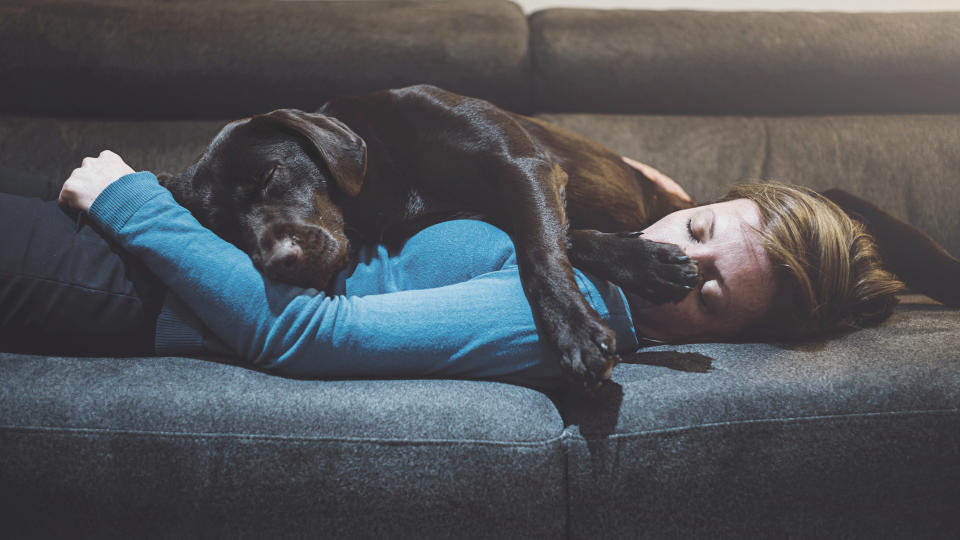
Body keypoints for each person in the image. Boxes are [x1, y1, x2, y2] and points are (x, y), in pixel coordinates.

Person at [0, 150, 903, 390]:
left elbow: (306, 330)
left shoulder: (562, 316)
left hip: (134, 288)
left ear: (738, 340)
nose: (674, 261)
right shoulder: (591, 251)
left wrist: (131, 203)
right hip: (183, 248)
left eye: (707, 293)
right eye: (698, 225)